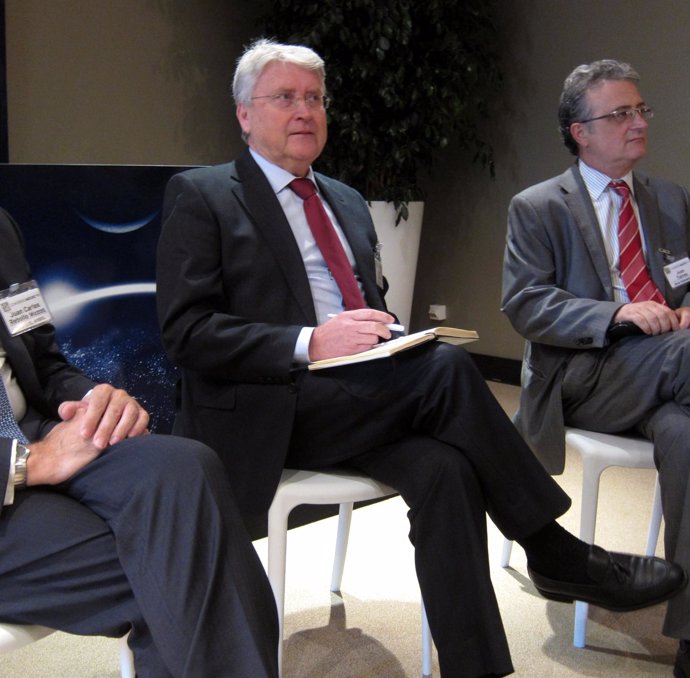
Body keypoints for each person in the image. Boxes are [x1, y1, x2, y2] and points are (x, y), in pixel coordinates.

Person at [156, 41, 686, 678]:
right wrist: (308, 341)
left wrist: (385, 339)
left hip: (359, 397)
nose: (305, 111)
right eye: (285, 98)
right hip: (273, 402)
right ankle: (552, 549)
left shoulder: (347, 200)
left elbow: (368, 306)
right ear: (244, 114)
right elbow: (187, 332)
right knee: (447, 368)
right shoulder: (204, 195)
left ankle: (477, 667)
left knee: (446, 468)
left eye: (315, 99)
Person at [0, 206, 279, 678]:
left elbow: (42, 363)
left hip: (31, 428)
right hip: (19, 459)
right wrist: (22, 464)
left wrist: (93, 401)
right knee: (177, 565)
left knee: (186, 467)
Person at [502, 59, 690, 677]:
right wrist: (618, 313)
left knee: (686, 436)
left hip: (671, 368)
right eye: (620, 114)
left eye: (641, 110)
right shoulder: (538, 206)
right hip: (586, 375)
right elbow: (526, 303)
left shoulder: (667, 197)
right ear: (580, 131)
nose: (638, 123)